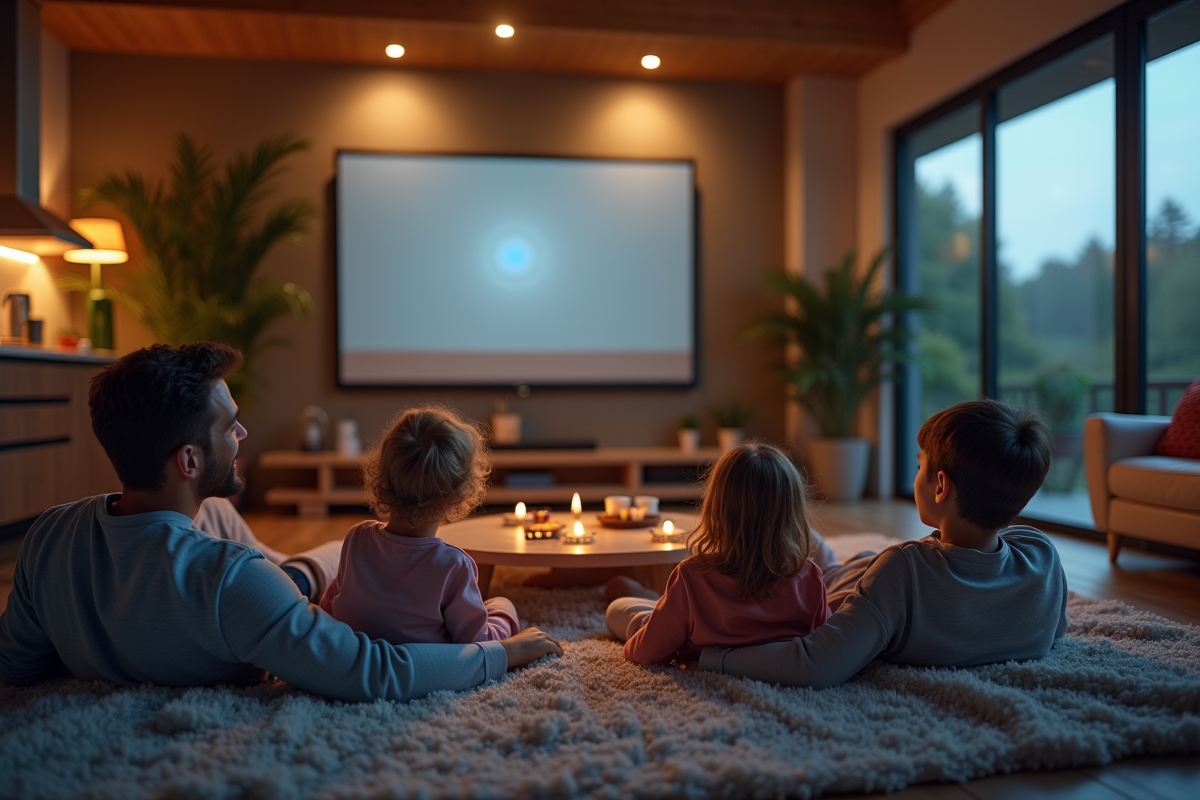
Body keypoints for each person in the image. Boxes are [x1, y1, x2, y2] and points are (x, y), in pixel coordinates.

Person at [0, 343, 561, 701]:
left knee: (242, 519)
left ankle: (305, 568)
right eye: (230, 427)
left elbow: (15, 665)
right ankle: (302, 571)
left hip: (234, 582)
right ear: (189, 461)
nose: (242, 435)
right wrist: (503, 652)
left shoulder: (49, 534)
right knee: (325, 555)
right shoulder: (235, 578)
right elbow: (374, 670)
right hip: (257, 600)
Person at [694, 399, 1067, 689]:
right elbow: (1057, 627)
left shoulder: (903, 571)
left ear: (940, 487)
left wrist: (715, 658)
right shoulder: (1041, 555)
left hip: (837, 588)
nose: (915, 475)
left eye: (919, 466)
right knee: (835, 553)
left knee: (794, 545)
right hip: (860, 573)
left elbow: (817, 664)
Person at [605, 442, 830, 664]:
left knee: (617, 609)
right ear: (793, 514)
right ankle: (661, 605)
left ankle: (659, 606)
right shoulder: (809, 577)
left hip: (684, 630)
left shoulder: (692, 575)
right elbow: (825, 644)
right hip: (764, 657)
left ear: (716, 511)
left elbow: (644, 654)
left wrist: (656, 634)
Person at [320, 407, 520, 644]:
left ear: (383, 477)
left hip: (357, 652)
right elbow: (477, 642)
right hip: (419, 662)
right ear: (457, 496)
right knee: (500, 603)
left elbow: (331, 603)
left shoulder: (357, 537)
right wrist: (505, 615)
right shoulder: (453, 565)